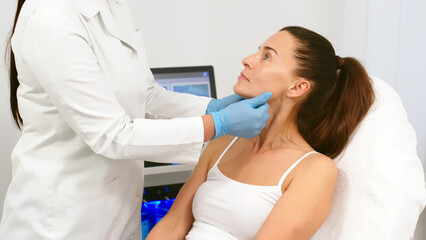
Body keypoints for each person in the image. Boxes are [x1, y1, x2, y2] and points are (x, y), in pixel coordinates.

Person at [0, 0, 271, 239]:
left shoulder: (113, 6)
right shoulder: (50, 15)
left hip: (114, 211)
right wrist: (217, 124)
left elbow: (145, 95)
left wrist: (211, 107)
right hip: (60, 222)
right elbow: (110, 134)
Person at [146, 26, 375, 240]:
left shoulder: (314, 169)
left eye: (267, 56)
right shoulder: (226, 140)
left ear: (297, 87)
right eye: (258, 51)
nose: (247, 60)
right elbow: (172, 225)